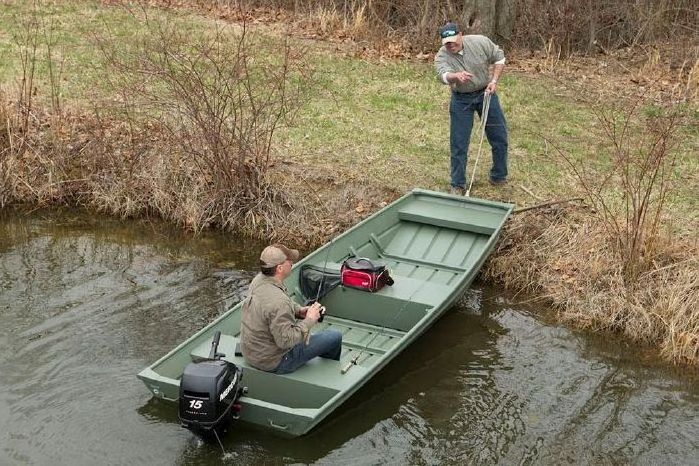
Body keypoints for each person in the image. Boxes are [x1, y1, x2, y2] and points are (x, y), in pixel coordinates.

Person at [240, 243, 342, 374]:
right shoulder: (279, 302)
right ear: (280, 268)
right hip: (275, 362)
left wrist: (300, 311)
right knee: (334, 336)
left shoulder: (259, 280)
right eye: (290, 261)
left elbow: (276, 306)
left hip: (250, 354)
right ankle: (330, 374)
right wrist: (309, 320)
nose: (292, 263)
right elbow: (286, 341)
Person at [433, 21, 509, 195]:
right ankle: (458, 184)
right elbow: (442, 74)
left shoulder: (480, 42)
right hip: (461, 100)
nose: (450, 45)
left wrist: (494, 81)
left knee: (499, 136)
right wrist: (455, 76)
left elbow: (500, 58)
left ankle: (498, 176)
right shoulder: (442, 55)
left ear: (461, 34)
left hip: (486, 94)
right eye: (446, 42)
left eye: (453, 40)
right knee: (459, 143)